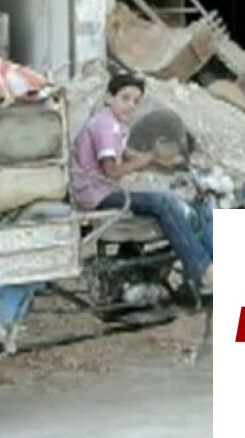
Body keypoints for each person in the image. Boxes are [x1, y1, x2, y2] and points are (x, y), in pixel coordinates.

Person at [71, 73, 214, 291]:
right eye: (125, 98)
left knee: (198, 204)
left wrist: (165, 163)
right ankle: (201, 269)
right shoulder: (105, 125)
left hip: (103, 190)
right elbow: (112, 170)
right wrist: (149, 158)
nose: (130, 105)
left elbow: (129, 155)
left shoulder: (114, 123)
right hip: (96, 194)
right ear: (109, 98)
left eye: (136, 101)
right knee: (165, 203)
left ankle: (211, 266)